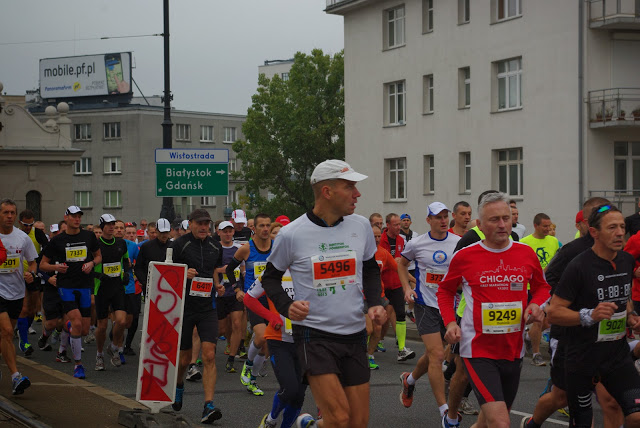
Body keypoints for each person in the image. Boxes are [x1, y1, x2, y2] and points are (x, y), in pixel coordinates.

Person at [261, 159, 387, 428]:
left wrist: (375, 303)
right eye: (349, 187)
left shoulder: (361, 226)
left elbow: (370, 269)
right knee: (339, 418)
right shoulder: (291, 234)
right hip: (314, 335)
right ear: (327, 191)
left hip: (354, 334)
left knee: (358, 423)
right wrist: (287, 306)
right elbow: (269, 278)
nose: (357, 194)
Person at [437, 192, 550, 428]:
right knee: (500, 421)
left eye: (506, 218)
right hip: (477, 349)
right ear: (479, 224)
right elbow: (445, 291)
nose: (502, 224)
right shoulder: (465, 256)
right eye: (494, 219)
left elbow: (542, 287)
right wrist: (450, 323)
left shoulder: (525, 253)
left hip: (513, 349)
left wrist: (536, 304)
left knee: (489, 422)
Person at [548, 204, 640, 428]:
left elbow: (623, 296)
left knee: (636, 416)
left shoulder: (626, 260)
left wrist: (631, 315)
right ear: (594, 232)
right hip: (582, 357)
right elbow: (554, 312)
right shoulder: (578, 266)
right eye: (612, 227)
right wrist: (589, 315)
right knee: (582, 422)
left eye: (622, 227)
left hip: (616, 356)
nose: (620, 233)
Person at [398, 202, 460, 420]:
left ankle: (409, 380)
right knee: (437, 355)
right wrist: (407, 288)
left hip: (450, 307)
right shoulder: (416, 243)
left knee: (435, 353)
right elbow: (401, 264)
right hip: (425, 304)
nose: (443, 221)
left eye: (445, 216)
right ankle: (444, 411)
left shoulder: (458, 243)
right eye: (438, 217)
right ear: (428, 220)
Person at [245, 223, 306, 428]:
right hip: (279, 340)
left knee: (299, 395)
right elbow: (249, 299)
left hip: (305, 340)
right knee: (290, 389)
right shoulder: (272, 273)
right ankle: (271, 420)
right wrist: (271, 316)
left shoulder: (309, 271)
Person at [169, 209, 225, 424]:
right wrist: (183, 272)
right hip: (185, 308)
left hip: (207, 308)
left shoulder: (215, 246)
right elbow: (166, 272)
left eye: (206, 224)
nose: (203, 227)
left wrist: (218, 285)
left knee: (209, 355)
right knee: (184, 359)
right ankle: (178, 385)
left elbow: (214, 270)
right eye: (199, 223)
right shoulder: (179, 245)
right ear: (190, 223)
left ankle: (208, 405)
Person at [40, 205, 102, 379]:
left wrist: (91, 263)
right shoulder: (57, 240)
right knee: (76, 322)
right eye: (73, 216)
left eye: (79, 216)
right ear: (66, 218)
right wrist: (56, 267)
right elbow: (43, 265)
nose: (77, 219)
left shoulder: (88, 236)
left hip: (85, 285)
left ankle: (66, 328)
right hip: (66, 286)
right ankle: (78, 365)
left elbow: (98, 256)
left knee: (83, 330)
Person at [226, 213, 273, 396]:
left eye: (268, 225)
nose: (265, 229)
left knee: (266, 345)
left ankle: (252, 380)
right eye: (262, 225)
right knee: (261, 336)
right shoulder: (247, 248)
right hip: (254, 299)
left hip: (273, 300)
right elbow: (230, 269)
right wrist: (237, 289)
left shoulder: (276, 247)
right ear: (254, 228)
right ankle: (248, 364)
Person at [0, 198, 37, 394]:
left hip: (16, 293)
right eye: (5, 212)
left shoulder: (22, 238)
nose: (9, 216)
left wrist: (31, 273)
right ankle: (16, 377)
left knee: (5, 335)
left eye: (12, 213)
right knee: (7, 332)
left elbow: (33, 262)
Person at [521, 213, 560, 367]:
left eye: (549, 226)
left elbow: (558, 262)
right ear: (535, 225)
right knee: (538, 319)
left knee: (548, 321)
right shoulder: (525, 243)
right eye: (545, 226)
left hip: (549, 286)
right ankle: (536, 354)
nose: (548, 229)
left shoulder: (554, 241)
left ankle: (529, 336)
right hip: (532, 288)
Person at [93, 214, 131, 370]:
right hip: (101, 288)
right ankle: (99, 354)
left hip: (117, 287)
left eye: (113, 224)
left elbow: (126, 261)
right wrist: (98, 275)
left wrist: (126, 273)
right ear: (102, 226)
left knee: (121, 321)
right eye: (108, 224)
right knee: (102, 327)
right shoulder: (95, 244)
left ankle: (114, 347)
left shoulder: (121, 243)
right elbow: (87, 266)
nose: (111, 227)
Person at [380, 212, 415, 362]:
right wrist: (392, 261)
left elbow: (402, 264)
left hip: (396, 284)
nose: (399, 227)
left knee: (400, 313)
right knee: (380, 320)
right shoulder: (380, 240)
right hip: (381, 284)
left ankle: (402, 349)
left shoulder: (401, 240)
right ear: (388, 225)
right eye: (395, 225)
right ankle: (369, 347)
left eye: (399, 224)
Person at [214, 221, 244, 374]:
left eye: (230, 231)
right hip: (220, 293)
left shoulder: (239, 248)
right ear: (218, 232)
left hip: (235, 292)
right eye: (224, 231)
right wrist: (220, 273)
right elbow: (212, 269)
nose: (227, 234)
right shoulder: (215, 248)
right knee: (222, 329)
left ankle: (231, 359)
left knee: (237, 324)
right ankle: (210, 350)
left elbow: (243, 269)